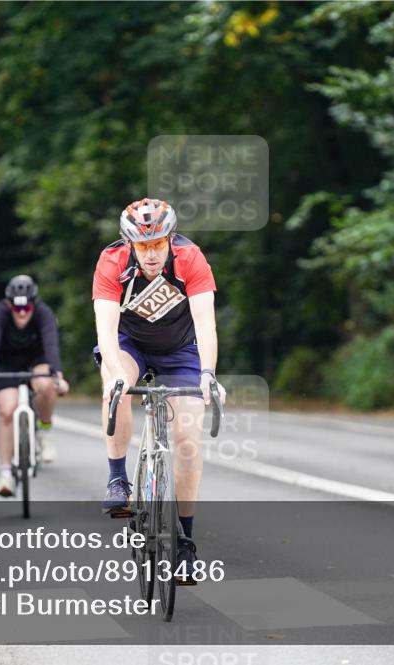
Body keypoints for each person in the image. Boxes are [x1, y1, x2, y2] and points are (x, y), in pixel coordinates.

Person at [92, 198, 225, 583]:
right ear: (128, 243)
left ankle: (184, 543)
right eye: (143, 246)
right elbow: (105, 330)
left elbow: (206, 324)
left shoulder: (190, 258)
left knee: (188, 436)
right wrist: (117, 373)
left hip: (181, 348)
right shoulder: (112, 262)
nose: (151, 254)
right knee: (113, 387)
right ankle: (118, 478)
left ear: (170, 239)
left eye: (158, 244)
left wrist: (208, 373)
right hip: (128, 344)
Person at [0, 275, 69, 497]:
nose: (21, 313)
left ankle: (44, 431)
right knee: (7, 412)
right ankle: (6, 473)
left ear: (33, 303)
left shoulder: (43, 313)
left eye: (26, 307)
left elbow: (51, 344)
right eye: (16, 308)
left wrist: (58, 375)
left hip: (36, 360)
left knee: (46, 385)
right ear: (9, 304)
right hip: (7, 363)